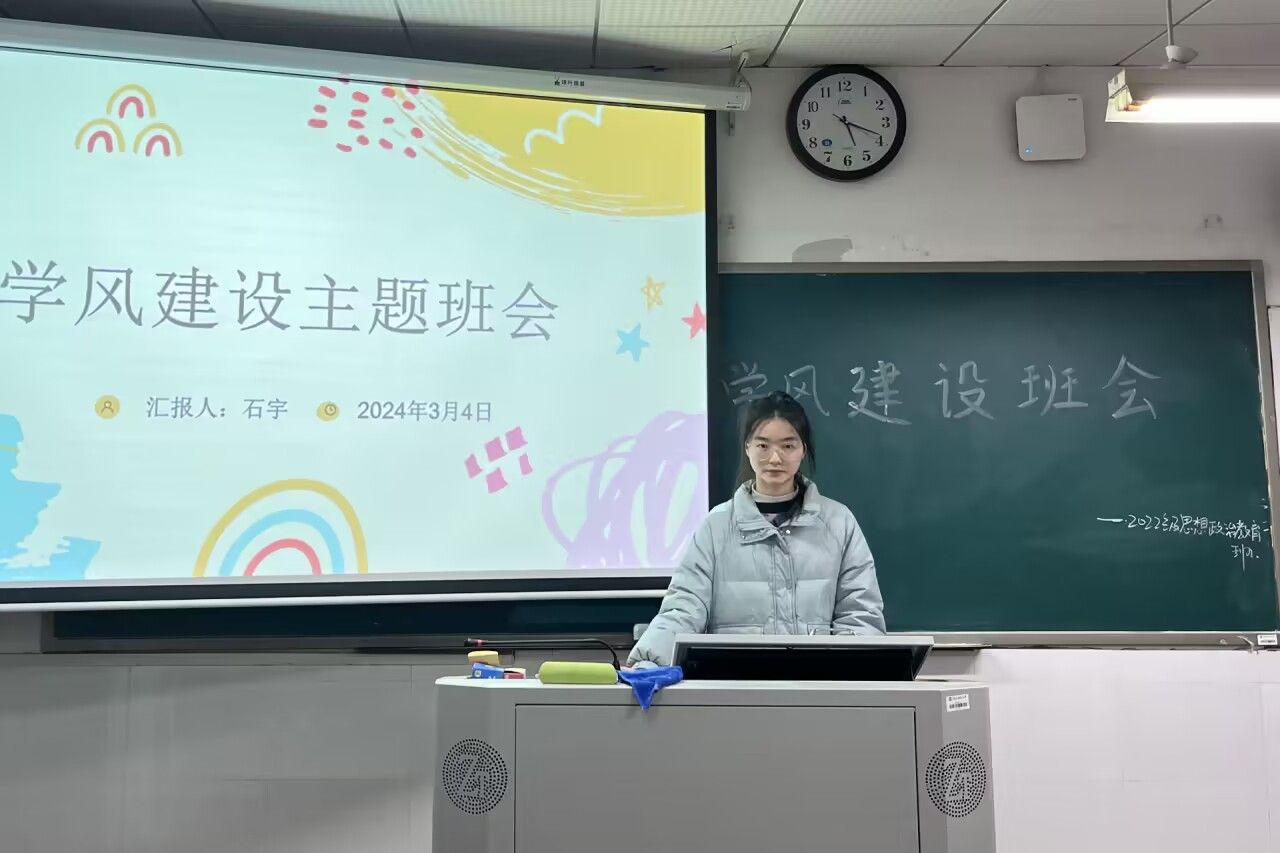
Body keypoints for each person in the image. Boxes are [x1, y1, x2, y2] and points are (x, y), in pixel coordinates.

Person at [628, 390, 885, 667]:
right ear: (747, 447)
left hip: (817, 683)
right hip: (735, 683)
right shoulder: (717, 526)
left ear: (803, 450)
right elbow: (684, 608)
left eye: (788, 446)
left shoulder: (838, 522)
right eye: (763, 445)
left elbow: (860, 616)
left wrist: (848, 674)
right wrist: (649, 661)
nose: (775, 458)